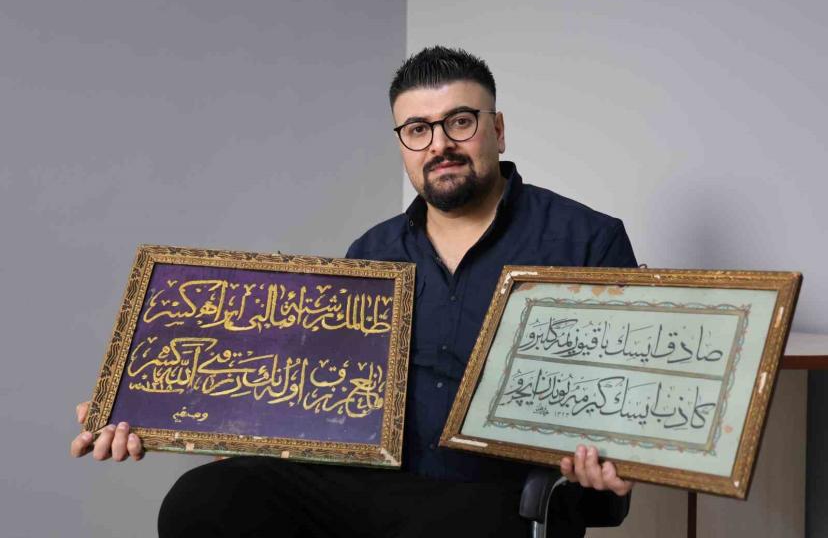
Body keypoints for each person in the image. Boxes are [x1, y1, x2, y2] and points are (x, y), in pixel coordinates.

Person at [72, 46, 637, 537]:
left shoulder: (588, 240)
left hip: (498, 497)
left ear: (498, 129)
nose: (439, 144)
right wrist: (165, 417)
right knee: (203, 498)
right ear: (403, 143)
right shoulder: (371, 254)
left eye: (460, 122)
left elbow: (626, 405)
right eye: (417, 130)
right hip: (373, 487)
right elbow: (315, 400)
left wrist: (612, 460)